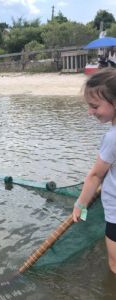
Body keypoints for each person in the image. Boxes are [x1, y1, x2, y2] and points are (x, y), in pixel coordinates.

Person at [72, 68, 116, 274]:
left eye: (94, 106)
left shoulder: (112, 138)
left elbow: (96, 175)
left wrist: (80, 205)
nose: (90, 112)